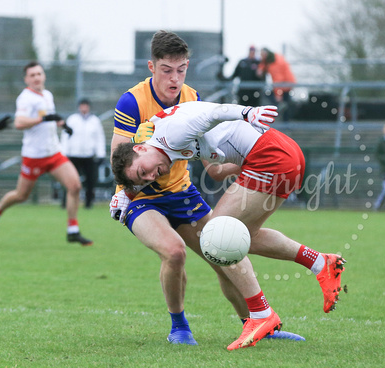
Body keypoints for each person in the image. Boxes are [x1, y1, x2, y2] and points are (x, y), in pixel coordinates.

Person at [110, 30, 307, 347]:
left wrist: (246, 162)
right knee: (174, 252)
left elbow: (213, 167)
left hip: (183, 193)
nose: (174, 78)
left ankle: (257, 322)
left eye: (181, 69)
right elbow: (119, 156)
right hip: (142, 197)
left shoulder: (191, 97)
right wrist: (124, 191)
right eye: (166, 70)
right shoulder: (132, 101)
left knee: (224, 251)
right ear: (151, 67)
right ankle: (179, 327)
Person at [111, 101, 347, 350]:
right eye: (143, 180)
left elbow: (215, 112)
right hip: (284, 154)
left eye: (143, 171)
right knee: (246, 236)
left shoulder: (171, 133)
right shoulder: (161, 144)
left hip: (271, 156)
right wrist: (127, 192)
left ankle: (261, 314)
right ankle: (321, 263)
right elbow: (216, 167)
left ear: (140, 148)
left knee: (216, 237)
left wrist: (248, 112)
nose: (150, 178)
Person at [0, 61, 92, 245]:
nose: (36, 77)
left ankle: (72, 230)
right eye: (32, 75)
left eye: (39, 74)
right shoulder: (25, 98)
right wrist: (43, 118)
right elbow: (19, 123)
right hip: (34, 156)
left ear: (44, 75)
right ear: (26, 79)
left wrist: (62, 124)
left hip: (53, 152)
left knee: (75, 185)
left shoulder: (47, 95)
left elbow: (48, 117)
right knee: (21, 195)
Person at [60, 98, 106, 209]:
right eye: (82, 105)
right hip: (73, 155)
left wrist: (101, 154)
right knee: (69, 179)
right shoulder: (72, 119)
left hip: (88, 155)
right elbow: (65, 136)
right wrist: (63, 152)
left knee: (90, 180)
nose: (84, 108)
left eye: (86, 106)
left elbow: (99, 138)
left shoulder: (95, 121)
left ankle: (88, 203)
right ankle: (64, 202)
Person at [257, 48, 296, 121]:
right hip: (288, 83)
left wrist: (278, 94)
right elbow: (264, 64)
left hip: (285, 85)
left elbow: (278, 80)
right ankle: (286, 125)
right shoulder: (274, 58)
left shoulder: (274, 64)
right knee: (285, 105)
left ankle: (280, 108)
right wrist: (261, 68)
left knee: (280, 102)